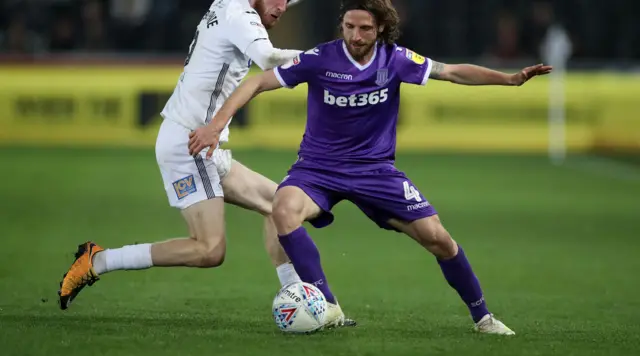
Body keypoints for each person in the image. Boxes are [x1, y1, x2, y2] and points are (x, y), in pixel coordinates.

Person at [188, 0, 552, 335]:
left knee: (439, 240)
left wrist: (510, 79)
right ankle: (328, 305)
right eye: (348, 26)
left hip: (375, 171)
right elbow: (257, 82)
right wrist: (216, 126)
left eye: (363, 28)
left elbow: (453, 72)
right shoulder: (320, 58)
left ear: (380, 29)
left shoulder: (396, 60)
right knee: (282, 210)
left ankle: (483, 317)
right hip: (317, 169)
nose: (354, 35)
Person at [58, 0, 355, 329]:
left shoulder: (230, 4)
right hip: (190, 144)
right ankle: (98, 260)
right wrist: (330, 60)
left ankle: (295, 297)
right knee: (209, 250)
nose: (283, 8)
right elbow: (268, 59)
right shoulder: (241, 16)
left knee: (280, 205)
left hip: (203, 144)